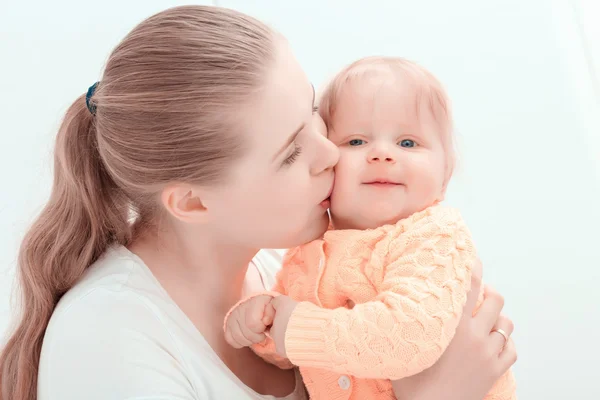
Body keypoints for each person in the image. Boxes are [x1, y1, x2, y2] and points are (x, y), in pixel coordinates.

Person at [0, 5, 517, 400]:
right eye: (291, 152)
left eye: (313, 109)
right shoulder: (109, 344)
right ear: (194, 203)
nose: (329, 151)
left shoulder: (286, 268)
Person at [223, 56, 517, 400]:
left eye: (407, 143)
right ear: (326, 161)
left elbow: (406, 336)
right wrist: (266, 322)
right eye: (356, 142)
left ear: (444, 176)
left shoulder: (434, 236)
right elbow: (298, 348)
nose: (381, 154)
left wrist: (294, 326)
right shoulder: (307, 249)